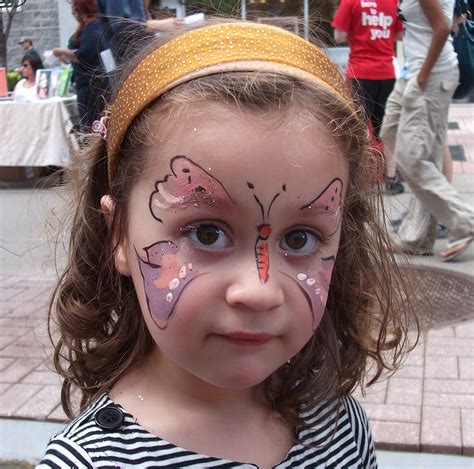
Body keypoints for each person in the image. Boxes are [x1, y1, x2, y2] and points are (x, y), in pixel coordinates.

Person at [38, 21, 414, 466]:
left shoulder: (339, 426)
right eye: (206, 233)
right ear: (118, 233)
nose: (259, 291)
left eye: (300, 238)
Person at [381, 0, 474, 261]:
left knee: (413, 158)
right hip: (413, 73)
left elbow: (442, 28)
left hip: (429, 76)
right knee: (391, 133)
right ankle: (419, 238)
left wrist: (421, 78)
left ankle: (464, 220)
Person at [332, 0, 405, 196]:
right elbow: (399, 34)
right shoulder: (391, 2)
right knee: (387, 128)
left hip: (361, 71)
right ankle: (391, 178)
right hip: (387, 71)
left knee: (359, 126)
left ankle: (359, 179)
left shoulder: (351, 2)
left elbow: (338, 36)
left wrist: (359, 31)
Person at [53, 0, 107, 129]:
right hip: (89, 86)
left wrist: (61, 51)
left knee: (91, 127)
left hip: (91, 89)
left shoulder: (92, 26)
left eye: (75, 9)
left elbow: (84, 56)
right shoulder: (90, 27)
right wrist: (66, 56)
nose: (74, 12)